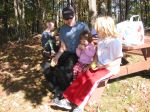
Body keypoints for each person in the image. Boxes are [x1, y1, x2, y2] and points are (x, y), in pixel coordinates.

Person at [52, 16, 123, 112]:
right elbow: (97, 54)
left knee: (92, 80)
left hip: (110, 68)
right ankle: (67, 100)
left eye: (98, 28)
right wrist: (92, 63)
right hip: (98, 65)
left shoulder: (115, 42)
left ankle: (80, 106)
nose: (96, 30)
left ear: (105, 28)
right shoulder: (101, 39)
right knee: (82, 76)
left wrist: (103, 66)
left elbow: (117, 60)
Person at [45, 6, 89, 92]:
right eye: (66, 19)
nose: (68, 21)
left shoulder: (83, 26)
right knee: (47, 66)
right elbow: (62, 47)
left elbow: (90, 42)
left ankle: (64, 91)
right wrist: (56, 57)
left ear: (74, 16)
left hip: (78, 54)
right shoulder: (63, 29)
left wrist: (85, 46)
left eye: (70, 18)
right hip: (67, 53)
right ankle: (55, 86)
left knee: (66, 69)